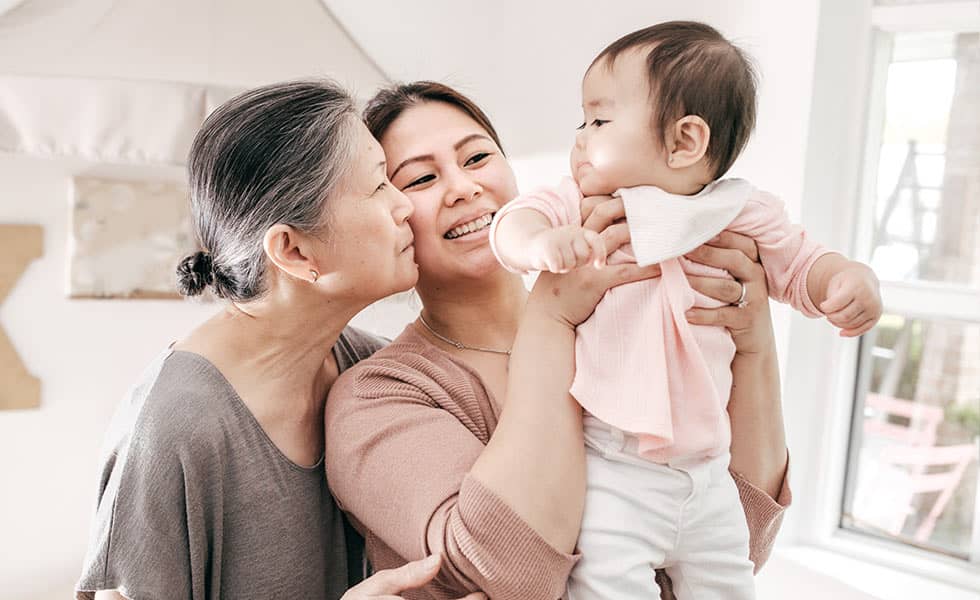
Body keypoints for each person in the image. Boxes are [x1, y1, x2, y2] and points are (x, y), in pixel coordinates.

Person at [324, 79, 797, 600]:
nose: (462, 188)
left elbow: (742, 540)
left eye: (478, 157)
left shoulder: (629, 320)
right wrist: (552, 318)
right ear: (390, 214)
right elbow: (509, 569)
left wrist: (753, 340)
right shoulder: (378, 396)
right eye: (420, 179)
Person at [489, 22, 883, 598]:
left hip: (708, 471)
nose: (579, 136)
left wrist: (849, 279)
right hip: (612, 464)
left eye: (598, 120)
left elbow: (804, 265)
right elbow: (514, 222)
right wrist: (538, 244)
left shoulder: (738, 210)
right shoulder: (584, 203)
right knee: (606, 583)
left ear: (684, 142)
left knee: (729, 582)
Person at [75, 79, 486, 600]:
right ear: (293, 251)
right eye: (380, 185)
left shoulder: (370, 367)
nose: (404, 206)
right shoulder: (171, 432)